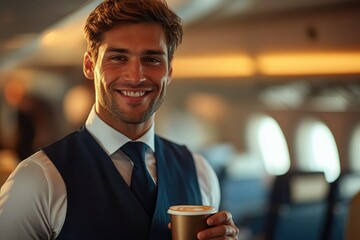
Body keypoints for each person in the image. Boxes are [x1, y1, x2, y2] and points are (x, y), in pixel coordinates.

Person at [0, 0, 239, 239]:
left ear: (170, 71)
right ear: (89, 65)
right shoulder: (37, 179)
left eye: (152, 59)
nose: (136, 76)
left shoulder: (199, 173)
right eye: (118, 58)